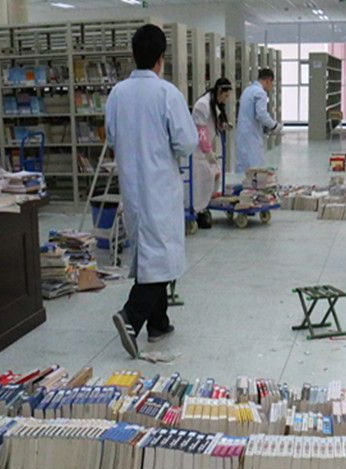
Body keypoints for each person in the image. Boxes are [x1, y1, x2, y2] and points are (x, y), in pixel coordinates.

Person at [106, 24, 199, 359]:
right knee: (162, 258)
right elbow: (186, 142)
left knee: (149, 255)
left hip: (133, 188)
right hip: (159, 187)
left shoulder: (117, 93)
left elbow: (111, 136)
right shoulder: (166, 93)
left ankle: (158, 323)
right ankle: (131, 316)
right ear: (161, 57)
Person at [192, 78, 233, 228]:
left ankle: (204, 205)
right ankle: (198, 210)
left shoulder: (214, 103)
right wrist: (207, 152)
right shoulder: (202, 105)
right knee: (204, 178)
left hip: (206, 149)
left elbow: (213, 122)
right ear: (220, 91)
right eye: (225, 96)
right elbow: (201, 131)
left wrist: (223, 125)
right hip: (198, 151)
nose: (226, 99)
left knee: (216, 174)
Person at [235, 68, 279, 174]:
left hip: (243, 134)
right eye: (272, 83)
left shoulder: (247, 90)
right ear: (268, 80)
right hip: (252, 136)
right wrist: (274, 126)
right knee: (255, 168)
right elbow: (262, 115)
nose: (271, 87)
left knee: (244, 168)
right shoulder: (260, 93)